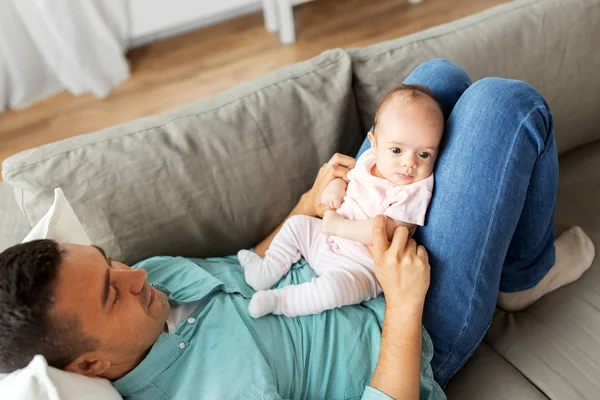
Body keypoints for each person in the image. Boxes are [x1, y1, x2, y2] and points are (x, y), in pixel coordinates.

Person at [0, 59, 595, 400]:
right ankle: (523, 275)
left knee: (433, 84)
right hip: (409, 326)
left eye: (108, 262)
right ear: (87, 368)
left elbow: (248, 267)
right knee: (507, 107)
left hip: (346, 245)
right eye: (111, 292)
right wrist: (408, 302)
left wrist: (308, 204)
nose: (133, 273)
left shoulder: (152, 279)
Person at [237, 84, 443, 319]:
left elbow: (390, 230)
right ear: (373, 143)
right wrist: (335, 187)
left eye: (424, 154)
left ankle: (280, 302)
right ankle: (265, 271)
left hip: (360, 268)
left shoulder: (414, 189)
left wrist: (340, 227)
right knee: (296, 225)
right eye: (396, 150)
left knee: (332, 291)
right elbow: (349, 179)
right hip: (325, 239)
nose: (409, 163)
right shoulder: (369, 160)